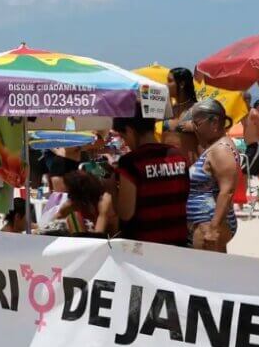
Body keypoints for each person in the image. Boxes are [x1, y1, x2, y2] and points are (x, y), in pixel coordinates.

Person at [112, 114, 190, 246]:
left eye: (123, 137)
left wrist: (111, 189)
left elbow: (126, 213)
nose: (125, 143)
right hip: (178, 243)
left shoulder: (131, 161)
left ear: (130, 131)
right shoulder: (178, 155)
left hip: (146, 248)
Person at [186, 99, 240, 252]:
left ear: (214, 122)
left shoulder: (221, 150)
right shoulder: (216, 146)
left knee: (205, 273)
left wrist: (213, 228)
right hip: (207, 222)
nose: (194, 128)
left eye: (197, 124)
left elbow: (227, 190)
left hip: (209, 224)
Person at [55, 171, 115, 235]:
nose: (68, 196)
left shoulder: (105, 201)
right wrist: (62, 211)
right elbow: (56, 218)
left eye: (69, 193)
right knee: (72, 217)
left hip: (114, 238)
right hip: (99, 235)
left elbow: (98, 234)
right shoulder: (78, 202)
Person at [162, 67, 199, 164]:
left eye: (170, 81)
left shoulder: (196, 110)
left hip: (189, 169)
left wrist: (194, 127)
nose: (166, 85)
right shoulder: (167, 110)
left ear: (182, 84)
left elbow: (212, 135)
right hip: (168, 168)